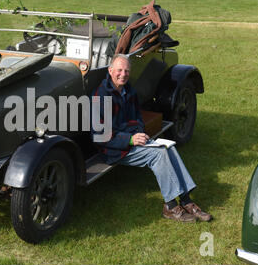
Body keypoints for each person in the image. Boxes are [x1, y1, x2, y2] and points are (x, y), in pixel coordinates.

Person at [91, 54, 212, 222]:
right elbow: (100, 136)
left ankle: (187, 201)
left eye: (127, 71)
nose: (123, 74)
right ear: (110, 71)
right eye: (119, 70)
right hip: (113, 149)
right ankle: (170, 207)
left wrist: (139, 133)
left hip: (133, 140)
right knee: (159, 155)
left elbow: (137, 118)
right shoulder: (100, 97)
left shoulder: (128, 89)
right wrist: (131, 139)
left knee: (169, 148)